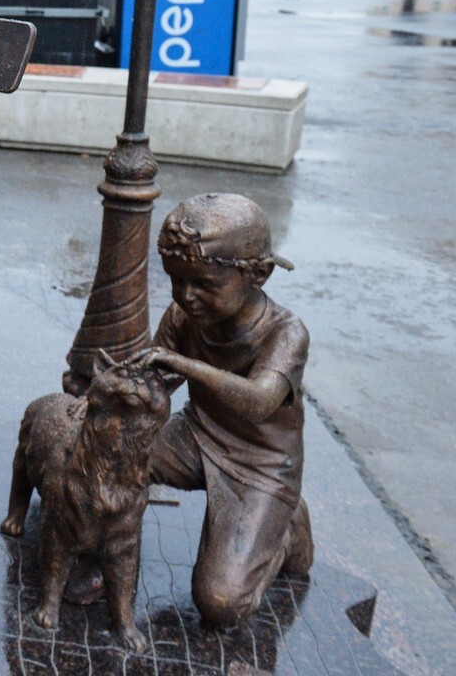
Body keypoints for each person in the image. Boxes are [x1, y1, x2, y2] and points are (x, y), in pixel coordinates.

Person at [137, 194, 313, 629]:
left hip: (262, 463)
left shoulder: (286, 333)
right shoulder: (184, 313)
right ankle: (100, 556)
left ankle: (286, 529)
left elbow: (259, 402)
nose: (186, 295)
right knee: (118, 455)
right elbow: (154, 380)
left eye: (204, 285)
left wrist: (181, 364)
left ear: (259, 275)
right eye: (177, 281)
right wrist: (108, 398)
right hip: (196, 435)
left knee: (221, 603)